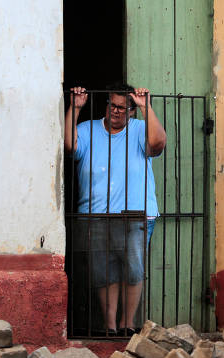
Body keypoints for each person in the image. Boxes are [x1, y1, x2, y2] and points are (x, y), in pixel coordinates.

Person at [64, 83, 167, 336]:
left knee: (133, 270)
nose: (116, 111)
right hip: (95, 214)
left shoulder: (140, 128)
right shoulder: (87, 129)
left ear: (132, 111)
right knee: (103, 271)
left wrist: (146, 107)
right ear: (106, 104)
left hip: (136, 214)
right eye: (113, 105)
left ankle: (127, 324)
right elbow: (69, 147)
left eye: (123, 107)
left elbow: (158, 144)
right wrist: (75, 109)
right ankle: (110, 326)